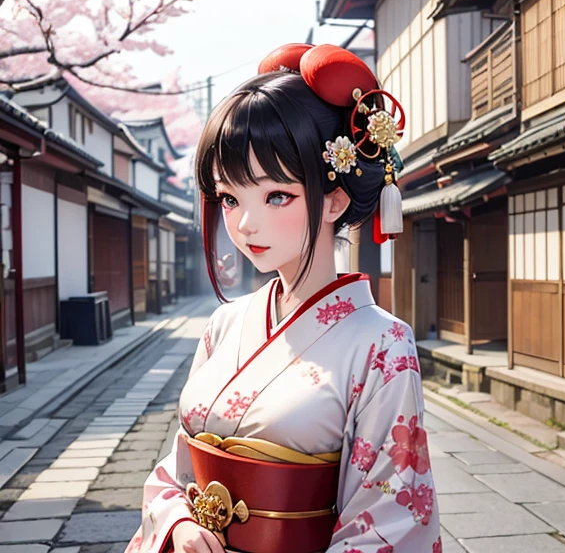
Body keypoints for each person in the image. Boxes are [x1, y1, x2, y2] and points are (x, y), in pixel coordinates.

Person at [125, 44, 439, 553]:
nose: (246, 224)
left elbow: (391, 517)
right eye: (230, 198)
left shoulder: (383, 343)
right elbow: (178, 467)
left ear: (334, 199)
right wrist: (179, 522)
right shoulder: (225, 324)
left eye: (277, 195)